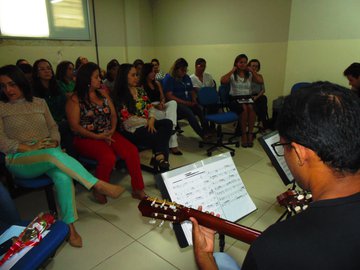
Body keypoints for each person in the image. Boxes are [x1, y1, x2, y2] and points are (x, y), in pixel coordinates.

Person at [191, 81, 360, 270]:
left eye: (283, 146)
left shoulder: (273, 248)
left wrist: (204, 258)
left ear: (299, 152)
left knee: (220, 259)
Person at [0, 65, 124, 248]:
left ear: (21, 83)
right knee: (52, 156)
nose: (8, 90)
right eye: (3, 86)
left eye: (12, 84)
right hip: (18, 159)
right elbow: (1, 140)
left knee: (63, 176)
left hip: (48, 152)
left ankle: (70, 227)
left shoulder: (39, 103)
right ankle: (97, 184)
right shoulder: (1, 107)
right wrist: (26, 147)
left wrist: (55, 141)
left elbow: (53, 127)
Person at [66, 62, 146, 202]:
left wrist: (111, 131)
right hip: (86, 138)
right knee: (107, 157)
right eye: (96, 77)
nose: (100, 80)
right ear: (86, 79)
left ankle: (138, 188)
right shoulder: (74, 100)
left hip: (108, 133)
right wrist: (97, 136)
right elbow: (75, 127)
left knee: (131, 151)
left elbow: (114, 115)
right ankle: (99, 189)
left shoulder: (103, 94)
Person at [113, 63, 173, 172]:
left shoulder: (140, 90)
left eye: (137, 75)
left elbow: (150, 108)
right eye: (133, 75)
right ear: (124, 76)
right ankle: (162, 163)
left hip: (147, 123)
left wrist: (151, 119)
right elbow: (127, 120)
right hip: (132, 129)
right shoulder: (119, 95)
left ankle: (159, 158)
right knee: (158, 135)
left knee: (167, 123)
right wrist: (148, 122)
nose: (137, 78)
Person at [32, 59, 75, 157]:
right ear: (37, 73)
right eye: (42, 69)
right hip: (46, 125)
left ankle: (72, 159)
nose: (47, 71)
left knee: (69, 129)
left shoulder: (58, 85)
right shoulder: (34, 91)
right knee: (69, 127)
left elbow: (65, 104)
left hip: (62, 121)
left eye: (48, 68)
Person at [163, 58, 211, 141]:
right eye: (182, 70)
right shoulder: (169, 78)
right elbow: (169, 96)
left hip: (188, 102)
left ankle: (207, 131)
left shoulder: (186, 77)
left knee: (200, 108)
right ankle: (202, 134)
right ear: (176, 69)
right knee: (189, 113)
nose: (184, 72)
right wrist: (186, 103)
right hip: (176, 104)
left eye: (186, 70)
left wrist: (194, 100)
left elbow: (191, 90)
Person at [220, 54, 264, 148]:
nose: (243, 64)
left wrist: (252, 70)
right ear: (236, 63)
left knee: (251, 108)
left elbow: (260, 81)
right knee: (244, 108)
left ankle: (250, 134)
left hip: (247, 97)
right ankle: (244, 135)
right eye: (241, 62)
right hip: (235, 98)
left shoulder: (250, 74)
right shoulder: (233, 74)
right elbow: (223, 81)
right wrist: (232, 70)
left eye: (245, 62)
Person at [140, 63, 182, 155]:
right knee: (165, 116)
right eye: (151, 72)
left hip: (160, 105)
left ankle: (172, 127)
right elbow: (144, 103)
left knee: (173, 103)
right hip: (151, 107)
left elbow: (163, 97)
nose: (154, 74)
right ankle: (174, 144)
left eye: (154, 72)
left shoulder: (157, 83)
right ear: (146, 73)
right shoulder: (142, 86)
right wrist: (156, 106)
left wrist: (162, 102)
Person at [248, 59, 268, 130]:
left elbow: (263, 90)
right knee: (258, 105)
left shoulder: (260, 76)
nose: (254, 68)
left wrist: (257, 97)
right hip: (248, 96)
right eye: (253, 66)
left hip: (258, 96)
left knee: (263, 99)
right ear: (249, 67)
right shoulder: (246, 76)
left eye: (256, 66)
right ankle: (260, 121)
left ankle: (261, 121)